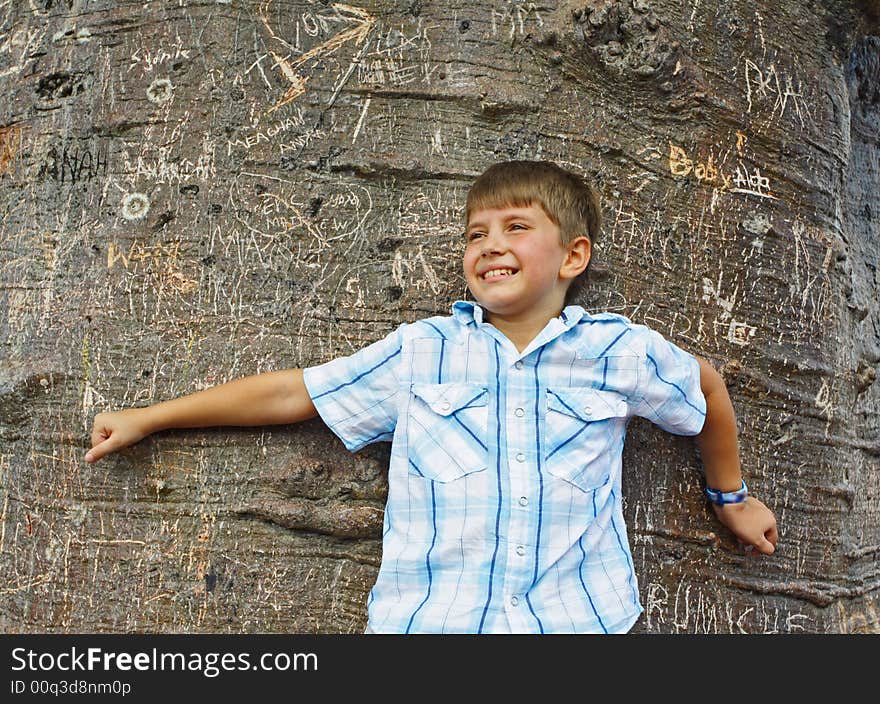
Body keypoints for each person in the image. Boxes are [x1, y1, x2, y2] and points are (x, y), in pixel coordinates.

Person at [84, 160, 778, 634]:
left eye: (516, 228)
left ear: (573, 256)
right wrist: (151, 418)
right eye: (476, 234)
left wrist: (730, 498)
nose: (489, 245)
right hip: (433, 621)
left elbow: (706, 389)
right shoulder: (424, 351)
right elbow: (297, 392)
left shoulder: (617, 351)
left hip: (577, 618)